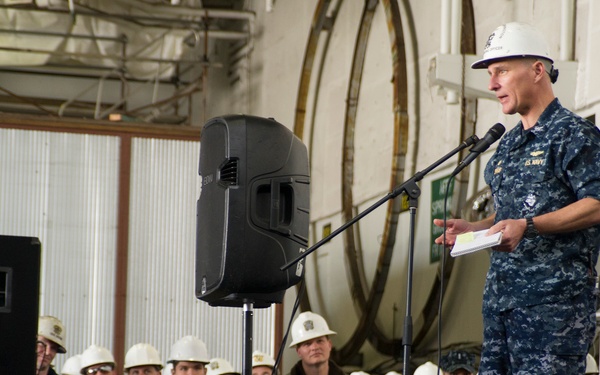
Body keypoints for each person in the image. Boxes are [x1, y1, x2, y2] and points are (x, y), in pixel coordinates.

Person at [434, 21, 600, 374]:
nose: (492, 84)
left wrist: (529, 226)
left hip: (553, 311)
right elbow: (509, 217)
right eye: (491, 74)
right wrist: (473, 229)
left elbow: (597, 203)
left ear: (538, 70)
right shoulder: (508, 145)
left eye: (502, 71)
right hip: (501, 307)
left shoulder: (574, 135)